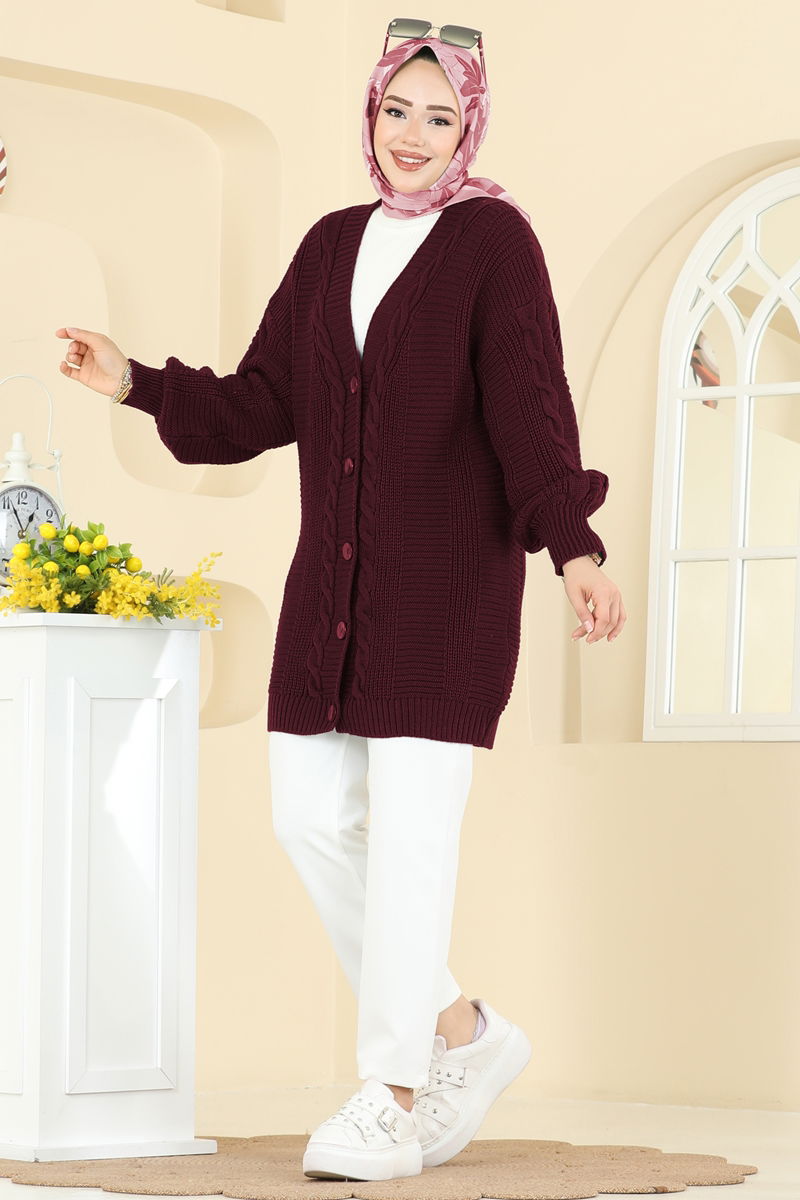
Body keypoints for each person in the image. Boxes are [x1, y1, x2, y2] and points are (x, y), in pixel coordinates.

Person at [55, 20, 626, 1185]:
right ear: (368, 115)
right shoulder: (329, 246)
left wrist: (572, 547)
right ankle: (461, 1030)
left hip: (446, 600)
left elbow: (529, 410)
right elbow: (261, 403)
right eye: (394, 111)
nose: (412, 136)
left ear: (467, 128)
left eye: (438, 117)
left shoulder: (493, 243)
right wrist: (133, 382)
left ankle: (391, 1096)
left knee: (411, 843)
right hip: (333, 599)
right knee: (307, 818)